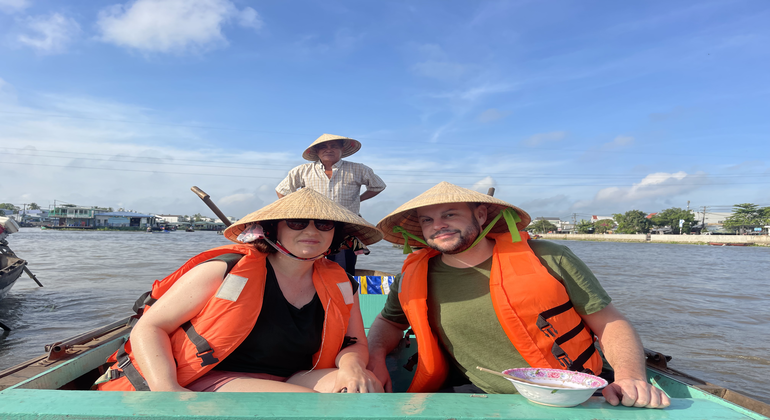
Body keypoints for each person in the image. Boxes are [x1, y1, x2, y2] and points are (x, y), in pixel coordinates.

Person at [366, 182, 670, 409]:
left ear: (482, 215)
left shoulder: (549, 257)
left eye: (450, 214)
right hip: (480, 397)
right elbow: (389, 322)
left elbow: (610, 322)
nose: (438, 226)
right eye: (427, 220)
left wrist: (630, 377)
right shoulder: (414, 274)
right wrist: (375, 356)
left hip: (572, 394)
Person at [96, 188, 384, 393]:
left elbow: (353, 341)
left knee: (361, 386)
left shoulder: (340, 281)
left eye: (324, 224)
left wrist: (353, 368)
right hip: (209, 377)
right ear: (272, 230)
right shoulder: (226, 270)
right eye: (297, 222)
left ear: (336, 235)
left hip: (294, 377)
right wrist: (168, 391)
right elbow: (149, 327)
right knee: (305, 403)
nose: (312, 231)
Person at [276, 134, 386, 275]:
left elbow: (378, 186)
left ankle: (342, 294)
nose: (328, 149)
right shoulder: (302, 170)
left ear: (342, 149)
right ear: (317, 152)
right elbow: (282, 191)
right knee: (310, 266)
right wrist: (297, 210)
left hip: (346, 226)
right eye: (323, 147)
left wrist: (358, 199)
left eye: (334, 146)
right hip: (313, 225)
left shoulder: (358, 169)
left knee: (343, 270)